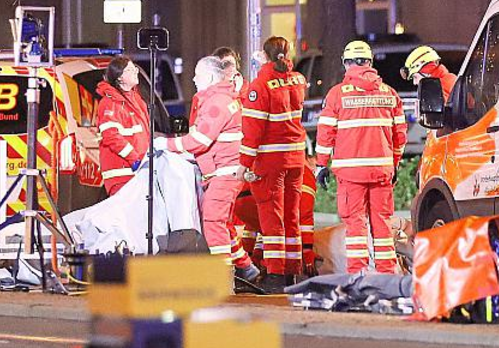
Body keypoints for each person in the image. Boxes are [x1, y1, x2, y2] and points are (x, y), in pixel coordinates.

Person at [155, 56, 260, 284]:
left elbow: (200, 141)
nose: (193, 78)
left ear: (210, 77)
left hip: (224, 173)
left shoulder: (217, 102)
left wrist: (166, 144)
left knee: (213, 223)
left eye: (197, 74)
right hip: (225, 171)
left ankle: (222, 279)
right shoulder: (222, 99)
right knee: (222, 222)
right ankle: (245, 266)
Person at [315, 40, 407, 274]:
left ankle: (358, 273)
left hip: (351, 173)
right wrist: (394, 162)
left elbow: (325, 133)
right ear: (370, 62)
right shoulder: (390, 94)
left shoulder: (337, 95)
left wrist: (321, 165)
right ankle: (387, 272)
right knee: (382, 222)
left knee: (355, 224)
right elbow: (400, 135)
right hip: (381, 172)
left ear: (346, 64)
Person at [240, 36, 307, 293]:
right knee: (291, 215)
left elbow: (253, 131)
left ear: (265, 56)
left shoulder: (260, 85)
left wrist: (244, 164)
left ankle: (276, 274)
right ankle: (292, 271)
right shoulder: (298, 80)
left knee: (271, 216)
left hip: (270, 160)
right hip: (295, 158)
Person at [95, 55, 150, 196]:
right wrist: (134, 158)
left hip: (136, 173)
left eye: (135, 68)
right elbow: (111, 136)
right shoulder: (110, 103)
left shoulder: (136, 100)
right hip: (121, 174)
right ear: (120, 77)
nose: (136, 72)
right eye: (131, 70)